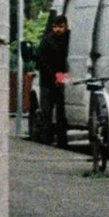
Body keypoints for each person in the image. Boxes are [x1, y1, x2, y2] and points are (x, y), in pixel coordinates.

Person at [38, 11, 71, 146]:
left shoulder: (69, 39)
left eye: (60, 27)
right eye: (55, 27)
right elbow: (41, 60)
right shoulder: (47, 40)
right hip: (47, 80)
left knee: (61, 111)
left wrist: (61, 76)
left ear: (66, 26)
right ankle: (46, 139)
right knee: (47, 112)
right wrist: (54, 76)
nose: (58, 30)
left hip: (62, 76)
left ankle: (62, 139)